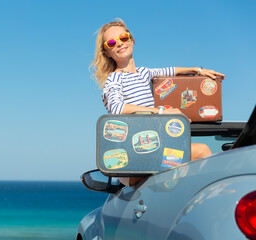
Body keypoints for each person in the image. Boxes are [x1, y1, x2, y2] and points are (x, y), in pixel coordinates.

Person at [91, 19, 224, 186]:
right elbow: (117, 108)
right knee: (202, 151)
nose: (119, 44)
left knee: (179, 176)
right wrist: (162, 112)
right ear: (108, 52)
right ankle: (214, 193)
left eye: (123, 38)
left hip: (154, 150)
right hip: (136, 156)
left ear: (132, 40)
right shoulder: (115, 78)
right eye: (111, 43)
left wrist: (199, 70)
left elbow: (171, 71)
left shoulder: (144, 73)